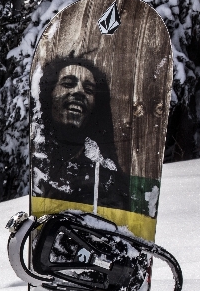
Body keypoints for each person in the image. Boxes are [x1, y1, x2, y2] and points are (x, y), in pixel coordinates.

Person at [35, 55, 130, 212]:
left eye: (89, 90)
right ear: (49, 94)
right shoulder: (33, 155)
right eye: (68, 84)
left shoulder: (106, 175)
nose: (79, 92)